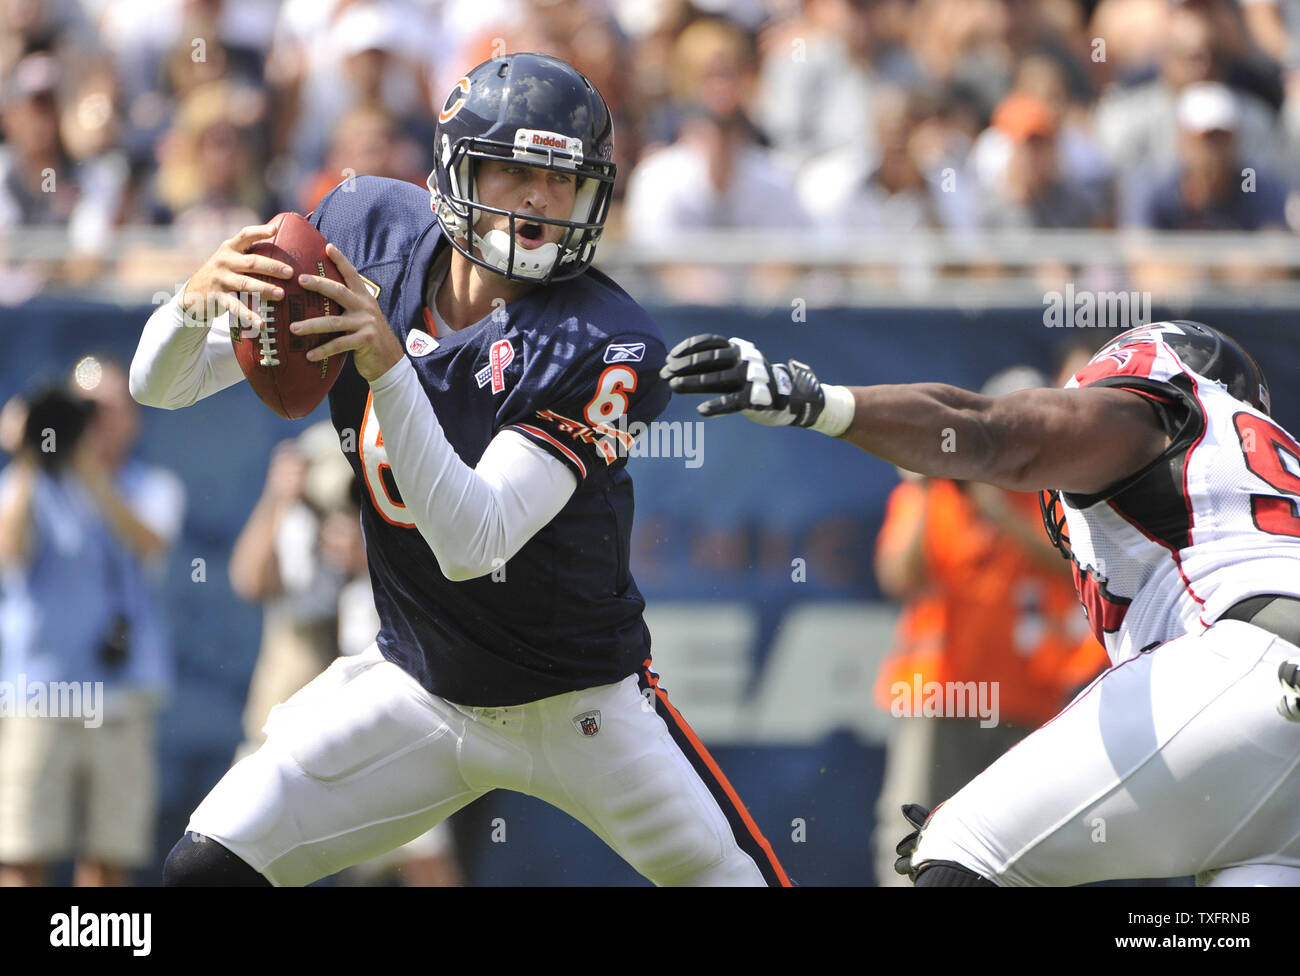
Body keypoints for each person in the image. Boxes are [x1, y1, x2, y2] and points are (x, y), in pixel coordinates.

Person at [130, 52, 789, 887]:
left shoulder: (607, 342)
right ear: (455, 171)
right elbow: (160, 385)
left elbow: (473, 540)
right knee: (203, 872)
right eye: (516, 171)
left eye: (562, 181)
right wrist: (189, 307)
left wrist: (387, 370)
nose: (542, 202)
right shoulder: (366, 233)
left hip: (580, 706)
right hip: (422, 690)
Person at [661, 322, 1300, 886]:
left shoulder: (1161, 412)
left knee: (958, 845)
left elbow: (988, 434)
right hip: (1270, 725)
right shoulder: (1264, 470)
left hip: (1246, 662)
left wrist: (818, 402)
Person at [0, 358, 183, 886]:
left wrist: (87, 471)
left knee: (108, 857)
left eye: (106, 409)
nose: (94, 422)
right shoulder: (26, 483)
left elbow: (149, 543)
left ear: (132, 418)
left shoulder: (153, 486)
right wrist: (33, 454)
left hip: (119, 699)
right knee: (22, 851)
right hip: (41, 695)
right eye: (85, 411)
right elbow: (10, 551)